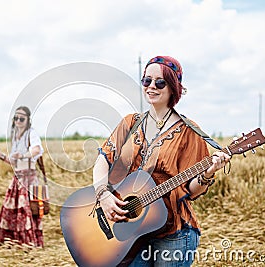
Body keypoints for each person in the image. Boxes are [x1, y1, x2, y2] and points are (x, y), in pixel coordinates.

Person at [93, 56, 231, 266]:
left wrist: (209, 172)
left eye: (159, 82)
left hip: (172, 232)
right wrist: (103, 194)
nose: (151, 87)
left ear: (173, 86)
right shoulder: (130, 123)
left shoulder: (188, 131)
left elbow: (191, 191)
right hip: (132, 230)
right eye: (146, 80)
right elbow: (103, 160)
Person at [0, 106, 44, 248]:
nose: (18, 121)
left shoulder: (31, 134)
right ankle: (14, 241)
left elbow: (36, 149)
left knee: (28, 210)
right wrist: (0, 155)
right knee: (13, 210)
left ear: (28, 120)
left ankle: (29, 241)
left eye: (22, 118)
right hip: (17, 178)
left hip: (29, 178)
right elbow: (14, 161)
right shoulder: (16, 137)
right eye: (16, 118)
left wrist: (24, 155)